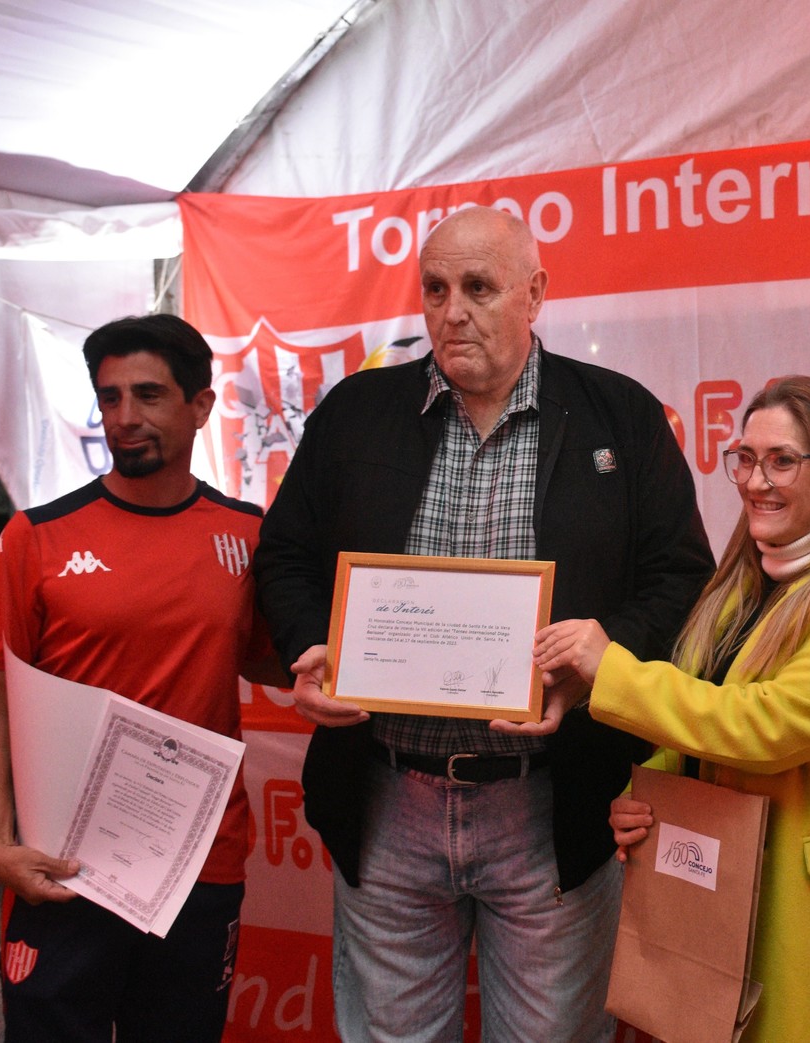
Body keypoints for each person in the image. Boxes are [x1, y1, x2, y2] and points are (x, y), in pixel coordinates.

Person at [253, 205, 713, 1042]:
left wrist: (596, 666)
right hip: (387, 794)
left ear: (535, 293)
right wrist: (308, 646)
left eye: (477, 287)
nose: (451, 311)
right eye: (434, 288)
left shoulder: (621, 417)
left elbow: (681, 578)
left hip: (551, 799)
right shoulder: (356, 412)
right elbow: (283, 555)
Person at [536, 375, 810, 1041]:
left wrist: (609, 667)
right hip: (738, 899)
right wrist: (650, 791)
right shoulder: (741, 584)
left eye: (782, 459)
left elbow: (767, 726)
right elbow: (708, 709)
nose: (756, 480)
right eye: (745, 458)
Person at [0, 314, 282, 1042]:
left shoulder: (247, 533)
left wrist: (361, 648)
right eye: (109, 398)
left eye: (148, 395)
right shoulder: (35, 536)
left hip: (197, 864)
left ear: (200, 406)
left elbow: (266, 656)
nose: (124, 419)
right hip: (63, 864)